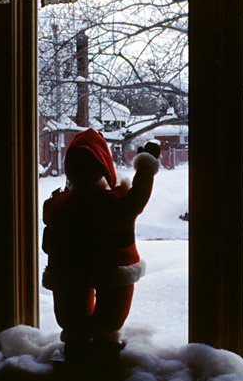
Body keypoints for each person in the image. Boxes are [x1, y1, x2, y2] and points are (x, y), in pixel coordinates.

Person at [42, 128, 160, 359]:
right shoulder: (117, 202)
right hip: (114, 268)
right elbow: (140, 194)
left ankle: (76, 346)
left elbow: (49, 219)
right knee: (112, 311)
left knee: (72, 312)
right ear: (105, 167)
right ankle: (106, 344)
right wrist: (145, 167)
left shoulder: (56, 205)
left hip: (67, 270)